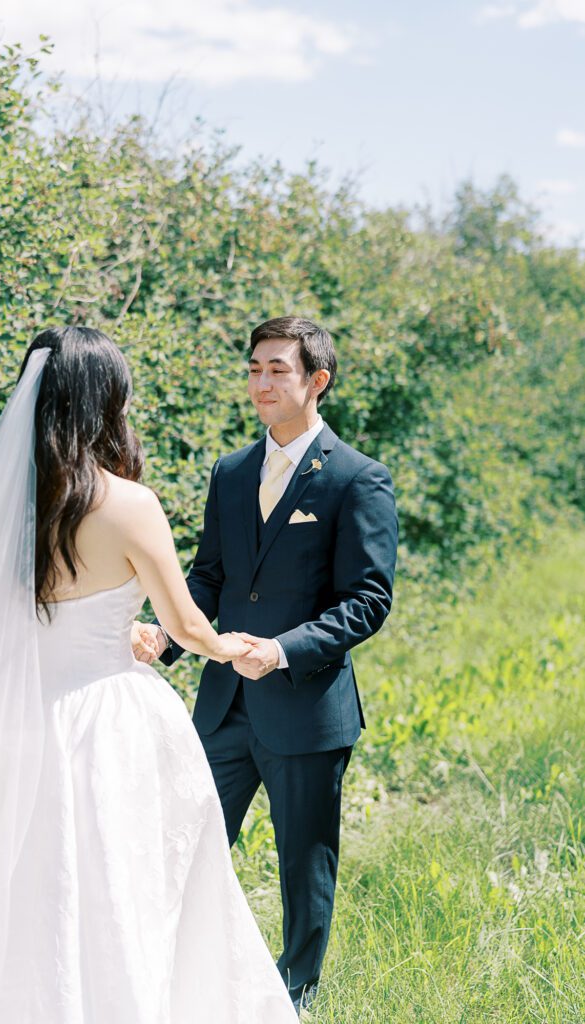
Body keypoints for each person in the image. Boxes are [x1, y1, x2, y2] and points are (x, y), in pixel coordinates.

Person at [0, 326, 297, 1023]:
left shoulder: (13, 504)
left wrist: (112, 624)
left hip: (16, 716)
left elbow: (18, 615)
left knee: (15, 886)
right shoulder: (130, 505)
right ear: (106, 402)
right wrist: (238, 650)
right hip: (107, 718)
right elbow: (187, 627)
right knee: (119, 880)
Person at [134, 315, 398, 1015]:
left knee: (303, 870)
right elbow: (210, 577)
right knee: (184, 846)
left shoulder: (357, 479)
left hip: (306, 709)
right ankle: (169, 986)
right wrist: (163, 631)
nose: (260, 382)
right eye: (253, 368)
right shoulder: (230, 471)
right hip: (221, 705)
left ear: (317, 380)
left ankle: (293, 1001)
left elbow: (368, 601)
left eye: (276, 370)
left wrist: (281, 652)